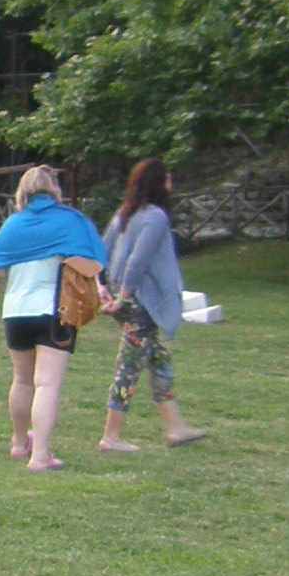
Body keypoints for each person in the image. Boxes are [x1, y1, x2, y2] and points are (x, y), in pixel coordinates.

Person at [0, 166, 105, 472]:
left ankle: (20, 443)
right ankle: (40, 456)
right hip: (53, 310)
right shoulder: (70, 221)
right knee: (46, 385)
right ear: (54, 189)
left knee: (22, 380)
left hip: (15, 312)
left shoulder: (13, 225)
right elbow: (92, 261)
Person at [98, 159, 204, 452]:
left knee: (159, 359)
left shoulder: (125, 213)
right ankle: (111, 436)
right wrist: (123, 296)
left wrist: (103, 287)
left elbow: (100, 250)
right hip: (139, 302)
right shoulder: (155, 216)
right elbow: (138, 261)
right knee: (129, 366)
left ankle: (176, 428)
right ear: (158, 183)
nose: (171, 182)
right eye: (167, 178)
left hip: (125, 297)